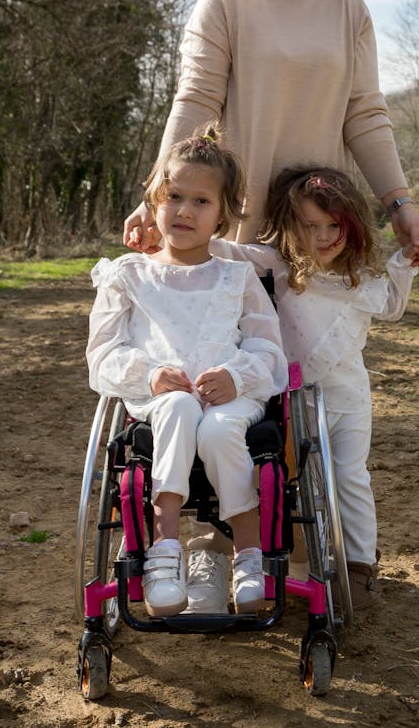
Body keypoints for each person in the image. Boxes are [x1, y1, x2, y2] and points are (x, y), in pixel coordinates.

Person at [123, 0, 419, 610]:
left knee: (315, 403)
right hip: (232, 241)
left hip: (311, 245)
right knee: (231, 398)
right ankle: (232, 552)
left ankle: (340, 560)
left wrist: (398, 203)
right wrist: (154, 195)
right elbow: (194, 100)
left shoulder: (349, 10)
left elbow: (366, 115)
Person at [86, 127, 288, 617]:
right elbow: (103, 355)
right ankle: (164, 552)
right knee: (177, 406)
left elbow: (269, 349)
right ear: (155, 199)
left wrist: (237, 377)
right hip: (159, 401)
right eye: (174, 196)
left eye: (201, 201)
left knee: (220, 429)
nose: (184, 211)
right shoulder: (128, 275)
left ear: (223, 214)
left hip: (231, 398)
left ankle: (248, 556)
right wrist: (150, 374)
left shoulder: (237, 277)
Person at [211, 166, 419, 609]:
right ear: (292, 227)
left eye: (334, 227)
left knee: (349, 476)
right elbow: (225, 251)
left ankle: (361, 565)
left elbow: (392, 307)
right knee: (289, 481)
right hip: (291, 400)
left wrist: (404, 261)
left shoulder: (359, 279)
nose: (325, 237)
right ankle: (294, 563)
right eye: (312, 226)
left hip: (348, 397)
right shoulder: (276, 265)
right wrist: (166, 235)